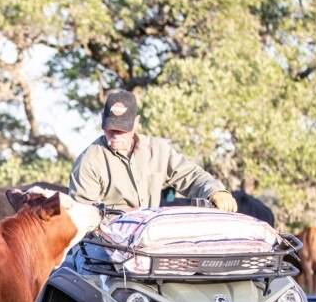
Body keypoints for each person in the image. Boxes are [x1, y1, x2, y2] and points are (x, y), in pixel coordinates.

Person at [69, 90, 237, 212]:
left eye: (122, 130)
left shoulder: (159, 150)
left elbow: (191, 176)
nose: (115, 135)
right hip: (103, 244)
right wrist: (121, 217)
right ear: (102, 120)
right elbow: (83, 214)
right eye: (110, 129)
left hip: (149, 237)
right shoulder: (89, 161)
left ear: (136, 123)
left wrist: (214, 191)